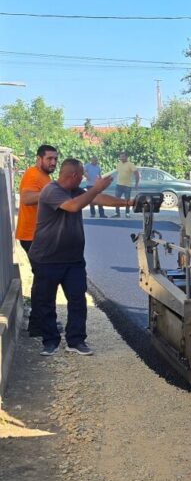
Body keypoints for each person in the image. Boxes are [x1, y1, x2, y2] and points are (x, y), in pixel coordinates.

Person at [29, 158, 131, 356]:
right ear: (74, 175)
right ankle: (50, 341)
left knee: (77, 300)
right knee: (46, 302)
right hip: (47, 259)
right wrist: (96, 188)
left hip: (73, 260)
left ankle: (75, 341)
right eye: (82, 174)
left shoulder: (76, 190)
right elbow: (73, 206)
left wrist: (129, 202)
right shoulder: (51, 191)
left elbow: (98, 199)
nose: (84, 177)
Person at [15, 144, 58, 258]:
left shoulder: (44, 176)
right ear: (39, 159)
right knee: (46, 268)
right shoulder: (33, 174)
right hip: (33, 237)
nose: (53, 162)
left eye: (55, 159)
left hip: (40, 235)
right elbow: (26, 198)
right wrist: (51, 193)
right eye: (49, 158)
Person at [113, 152, 139, 217]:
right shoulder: (119, 164)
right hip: (119, 185)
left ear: (126, 157)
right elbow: (118, 173)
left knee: (127, 200)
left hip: (127, 185)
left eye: (123, 157)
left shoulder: (130, 164)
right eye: (120, 157)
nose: (121, 158)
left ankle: (127, 213)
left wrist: (136, 184)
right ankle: (117, 213)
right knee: (116, 200)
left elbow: (137, 174)